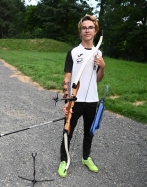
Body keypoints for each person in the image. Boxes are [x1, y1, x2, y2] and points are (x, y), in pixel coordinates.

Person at [57, 14, 106, 178]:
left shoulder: (99, 53)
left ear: (95, 30)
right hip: (75, 100)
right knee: (67, 131)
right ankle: (64, 160)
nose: (87, 30)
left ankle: (86, 157)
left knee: (89, 132)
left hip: (92, 100)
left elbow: (98, 79)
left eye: (90, 27)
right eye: (84, 27)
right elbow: (67, 78)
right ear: (80, 31)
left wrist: (103, 67)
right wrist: (67, 99)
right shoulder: (73, 52)